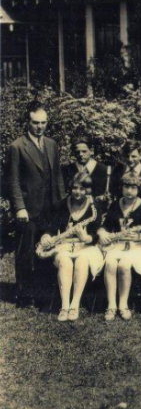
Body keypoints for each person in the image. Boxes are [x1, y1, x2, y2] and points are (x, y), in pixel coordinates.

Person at [7, 102, 66, 308]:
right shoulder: (16, 146)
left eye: (43, 123)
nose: (39, 127)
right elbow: (12, 181)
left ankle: (43, 294)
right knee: (26, 253)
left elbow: (57, 176)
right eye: (35, 123)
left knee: (47, 248)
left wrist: (62, 204)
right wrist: (19, 207)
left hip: (50, 208)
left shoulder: (51, 144)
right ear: (28, 122)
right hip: (28, 210)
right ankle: (24, 295)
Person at [40, 172, 104, 321]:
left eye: (82, 189)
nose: (78, 192)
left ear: (88, 190)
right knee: (64, 261)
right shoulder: (62, 204)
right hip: (65, 245)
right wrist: (46, 236)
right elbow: (51, 226)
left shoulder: (94, 207)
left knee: (82, 260)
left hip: (87, 246)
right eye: (75, 188)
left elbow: (96, 234)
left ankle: (75, 304)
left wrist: (86, 237)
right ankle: (64, 306)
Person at [97, 172, 141, 321]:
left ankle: (123, 304)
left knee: (124, 265)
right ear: (121, 188)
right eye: (126, 187)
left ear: (139, 189)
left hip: (138, 246)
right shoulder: (116, 204)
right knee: (109, 263)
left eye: (133, 187)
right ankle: (111, 305)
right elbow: (106, 225)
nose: (129, 191)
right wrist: (102, 233)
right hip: (118, 244)